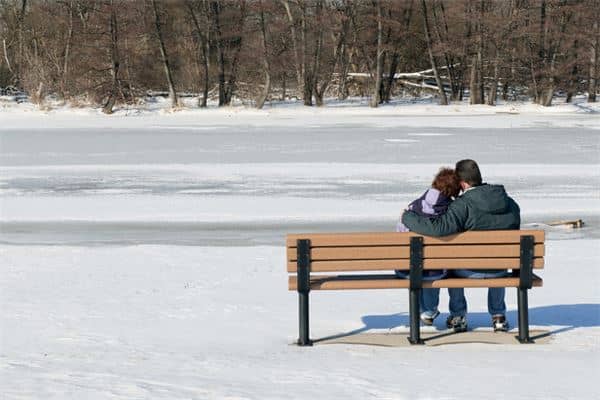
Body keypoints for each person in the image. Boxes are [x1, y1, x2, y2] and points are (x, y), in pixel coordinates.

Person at [401, 159, 520, 332]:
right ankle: (498, 315)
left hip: (468, 269)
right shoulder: (510, 203)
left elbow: (438, 229)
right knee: (496, 260)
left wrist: (408, 217)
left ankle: (458, 315)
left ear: (463, 183)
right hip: (500, 268)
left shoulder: (462, 205)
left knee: (451, 265)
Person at [395, 168, 461, 326]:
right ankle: (429, 310)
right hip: (436, 269)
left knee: (422, 264)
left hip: (406, 268)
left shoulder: (414, 207)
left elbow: (399, 233)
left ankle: (425, 310)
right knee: (436, 265)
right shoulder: (451, 212)